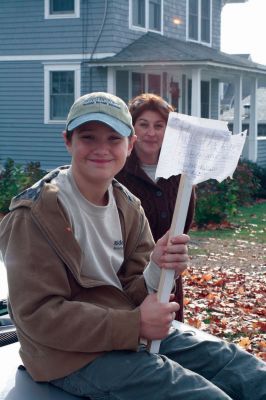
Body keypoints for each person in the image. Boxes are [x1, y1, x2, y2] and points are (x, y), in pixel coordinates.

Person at [0, 92, 265, 400]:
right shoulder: (34, 216)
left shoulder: (127, 205)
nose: (102, 149)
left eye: (114, 138)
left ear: (130, 145)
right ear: (68, 141)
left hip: (125, 332)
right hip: (67, 356)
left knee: (245, 372)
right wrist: (136, 323)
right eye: (88, 137)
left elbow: (131, 291)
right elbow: (39, 318)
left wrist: (157, 266)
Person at [116, 93, 196, 322]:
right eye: (144, 125)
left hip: (168, 272)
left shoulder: (180, 173)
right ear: (132, 129)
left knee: (171, 339)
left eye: (159, 126)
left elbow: (183, 224)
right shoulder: (118, 171)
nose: (151, 133)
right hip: (126, 276)